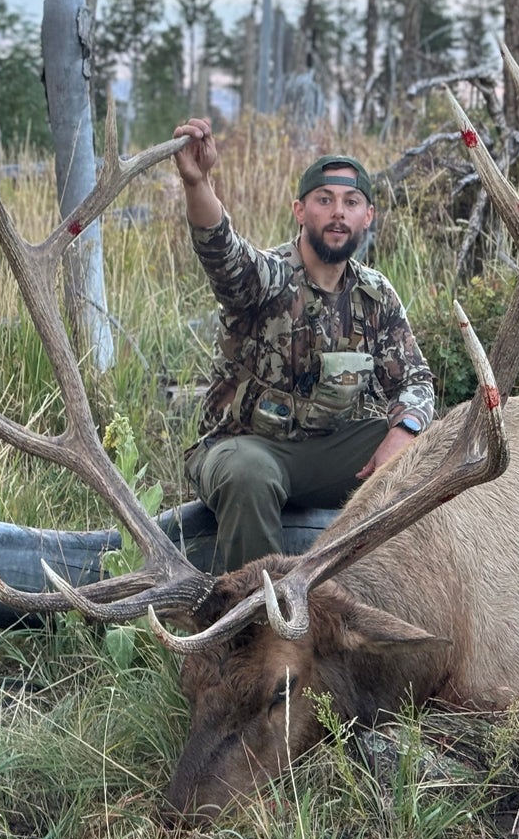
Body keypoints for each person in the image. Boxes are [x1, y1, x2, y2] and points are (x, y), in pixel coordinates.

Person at [171, 118, 436, 571]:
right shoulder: (268, 277)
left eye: (351, 202)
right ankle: (256, 624)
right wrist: (199, 183)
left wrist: (403, 434)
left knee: (430, 452)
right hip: (245, 447)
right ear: (300, 210)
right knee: (248, 474)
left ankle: (387, 605)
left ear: (366, 217)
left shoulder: (375, 296)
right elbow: (222, 253)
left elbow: (416, 380)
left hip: (330, 453)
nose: (338, 213)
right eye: (325, 200)